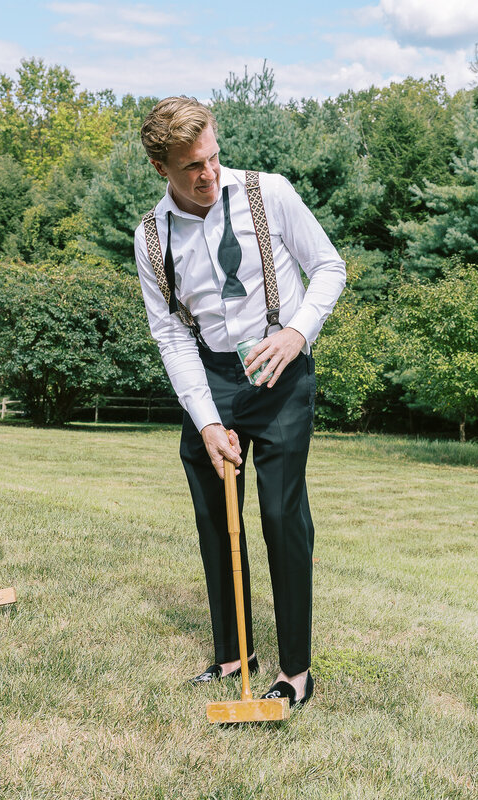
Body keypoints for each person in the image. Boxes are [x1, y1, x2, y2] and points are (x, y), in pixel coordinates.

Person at [134, 97, 346, 707]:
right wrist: (205, 422)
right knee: (214, 515)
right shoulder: (152, 236)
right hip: (213, 379)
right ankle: (235, 655)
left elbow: (328, 267)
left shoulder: (269, 193)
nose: (208, 174)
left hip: (280, 369)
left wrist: (298, 330)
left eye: (213, 158)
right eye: (191, 167)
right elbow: (172, 334)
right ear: (161, 168)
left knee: (281, 516)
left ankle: (296, 672)